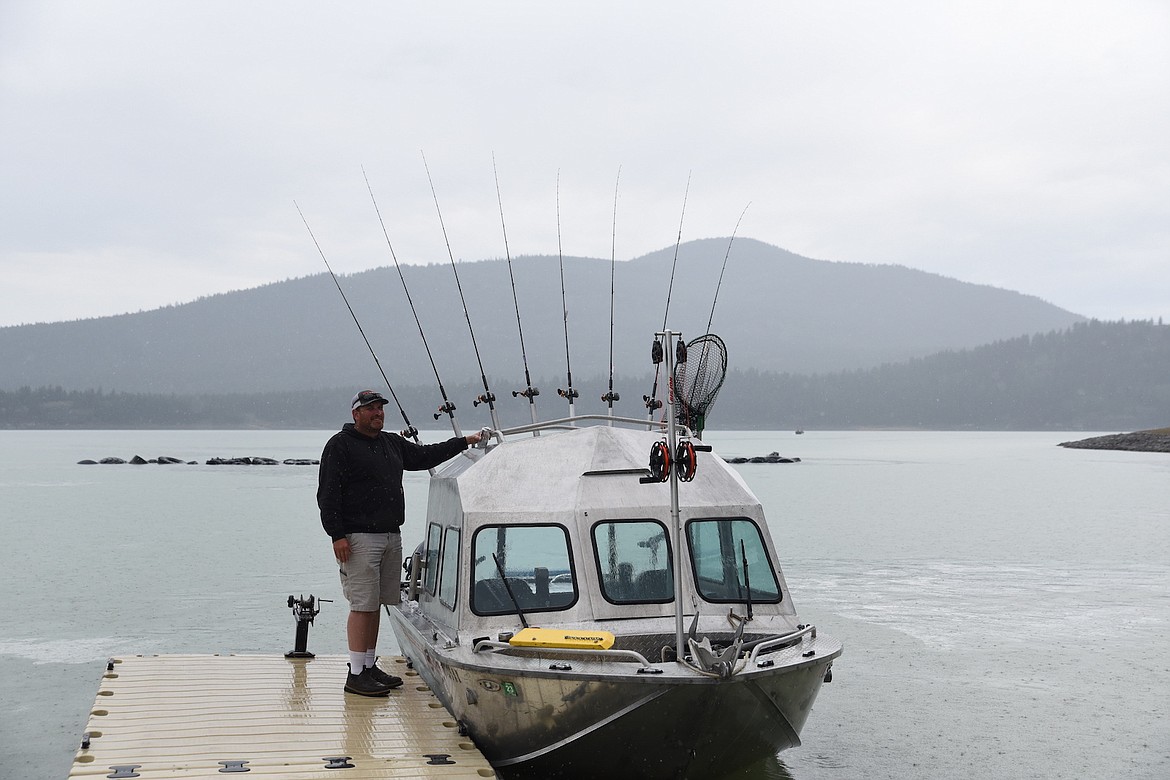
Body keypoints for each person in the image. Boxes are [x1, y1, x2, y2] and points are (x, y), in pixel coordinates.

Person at [318, 389, 487, 696]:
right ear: (355, 414)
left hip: (390, 536)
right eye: (370, 409)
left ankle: (368, 666)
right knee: (361, 606)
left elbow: (425, 456)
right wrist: (337, 535)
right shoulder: (339, 445)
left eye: (380, 408)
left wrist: (464, 442)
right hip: (357, 539)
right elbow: (328, 494)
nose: (377, 413)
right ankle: (355, 674)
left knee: (377, 605)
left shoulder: (391, 443)